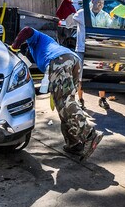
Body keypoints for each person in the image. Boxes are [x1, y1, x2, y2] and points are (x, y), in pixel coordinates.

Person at [9, 26, 103, 160]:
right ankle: (74, 144)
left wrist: (13, 46)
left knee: (65, 102)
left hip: (60, 62)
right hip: (71, 61)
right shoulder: (38, 48)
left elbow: (27, 30)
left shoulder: (36, 37)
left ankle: (89, 134)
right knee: (64, 105)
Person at [68, 1, 111, 110]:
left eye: (101, 2)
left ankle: (102, 99)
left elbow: (112, 28)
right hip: (82, 49)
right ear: (91, 2)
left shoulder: (105, 16)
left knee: (100, 74)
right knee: (80, 75)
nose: (99, 4)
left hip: (98, 49)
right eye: (97, 2)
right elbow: (69, 24)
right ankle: (81, 99)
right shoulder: (81, 13)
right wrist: (68, 11)